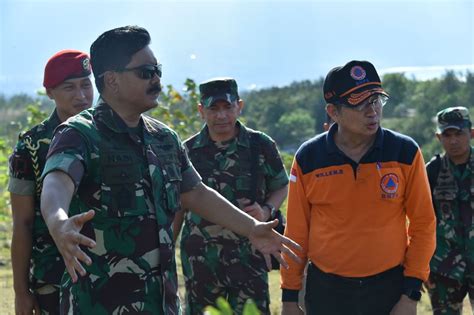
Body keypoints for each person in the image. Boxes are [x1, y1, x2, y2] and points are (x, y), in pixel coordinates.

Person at [39, 26, 301, 314]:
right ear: (112, 80)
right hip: (100, 304)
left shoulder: (164, 138)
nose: (156, 79)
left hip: (160, 303)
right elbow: (57, 182)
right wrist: (58, 222)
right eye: (145, 72)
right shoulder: (80, 133)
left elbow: (196, 193)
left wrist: (252, 228)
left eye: (158, 69)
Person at [280, 60, 436, 315]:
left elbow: (423, 224)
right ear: (333, 111)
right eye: (359, 103)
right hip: (327, 291)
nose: (372, 111)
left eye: (376, 101)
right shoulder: (309, 158)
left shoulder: (405, 152)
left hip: (389, 288)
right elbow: (296, 233)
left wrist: (410, 294)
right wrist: (288, 298)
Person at [173, 77, 289, 314]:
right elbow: (178, 207)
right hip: (200, 260)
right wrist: (166, 249)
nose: (221, 116)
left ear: (239, 106)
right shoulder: (187, 151)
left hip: (249, 255)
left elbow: (281, 185)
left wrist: (266, 210)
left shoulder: (260, 145)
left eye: (227, 107)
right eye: (213, 109)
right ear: (201, 111)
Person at [8, 49, 93, 315]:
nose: (81, 96)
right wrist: (21, 293)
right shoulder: (31, 147)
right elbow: (22, 224)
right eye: (69, 87)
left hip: (109, 273)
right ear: (49, 93)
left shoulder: (111, 135)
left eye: (86, 85)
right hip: (53, 280)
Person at [426, 106, 474, 314]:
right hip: (444, 268)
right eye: (447, 134)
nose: (453, 140)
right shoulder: (432, 171)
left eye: (459, 133)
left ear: (471, 133)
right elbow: (419, 219)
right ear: (438, 137)